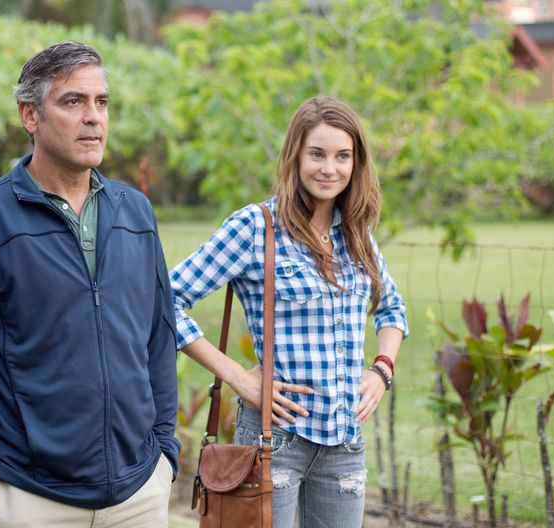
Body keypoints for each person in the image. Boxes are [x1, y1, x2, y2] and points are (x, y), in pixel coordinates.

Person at [0, 41, 180, 528]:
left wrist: (164, 456)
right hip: (28, 500)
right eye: (73, 102)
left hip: (139, 494)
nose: (94, 117)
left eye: (101, 102)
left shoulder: (136, 215)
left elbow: (158, 339)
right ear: (30, 115)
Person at [171, 96, 408, 527]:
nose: (329, 168)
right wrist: (241, 378)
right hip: (273, 439)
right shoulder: (254, 227)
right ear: (295, 156)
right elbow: (166, 300)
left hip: (345, 446)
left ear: (356, 163)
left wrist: (381, 370)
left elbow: (392, 308)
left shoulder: (356, 234)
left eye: (342, 156)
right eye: (316, 154)